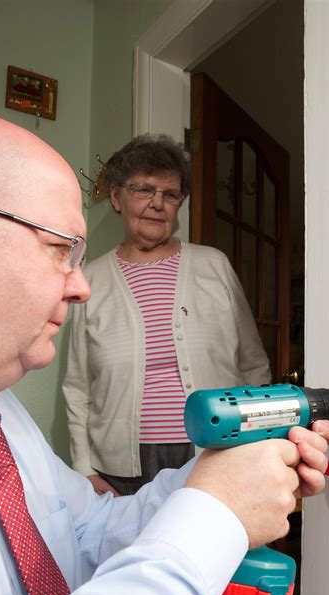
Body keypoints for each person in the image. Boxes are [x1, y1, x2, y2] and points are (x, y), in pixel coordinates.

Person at [0, 105, 329, 595]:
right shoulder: (96, 287)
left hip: (193, 451)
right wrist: (211, 517)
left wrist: (212, 485)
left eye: (170, 194)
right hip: (122, 454)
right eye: (58, 249)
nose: (78, 287)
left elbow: (87, 530)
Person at [63, 134, 271, 496]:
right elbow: (78, 387)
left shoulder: (214, 265)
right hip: (118, 468)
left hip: (214, 453)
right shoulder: (90, 280)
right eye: (143, 190)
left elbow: (254, 366)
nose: (157, 203)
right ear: (116, 197)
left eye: (170, 194)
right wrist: (84, 469)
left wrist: (252, 444)